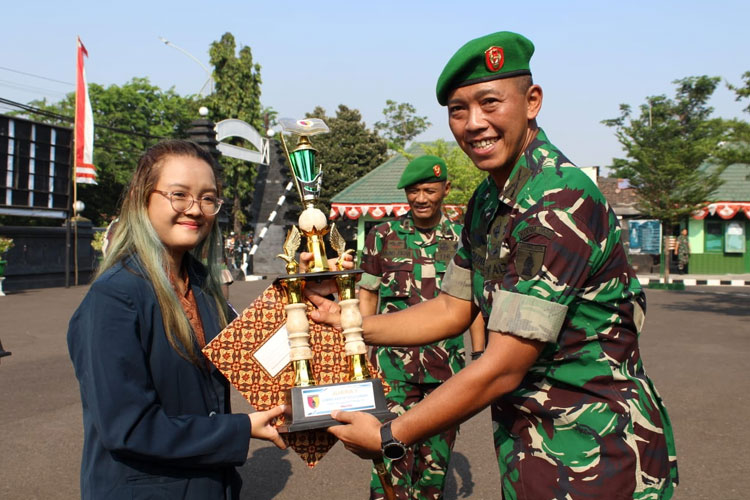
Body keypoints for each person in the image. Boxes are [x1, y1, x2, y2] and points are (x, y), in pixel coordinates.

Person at [310, 31, 678, 499]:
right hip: (532, 446)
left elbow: (503, 364)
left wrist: (389, 435)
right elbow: (450, 309)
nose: (473, 123)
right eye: (458, 110)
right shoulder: (489, 199)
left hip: (595, 451)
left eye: (489, 102)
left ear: (532, 101)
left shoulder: (556, 201)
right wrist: (349, 324)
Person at [67, 140, 286, 500]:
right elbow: (129, 427)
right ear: (142, 196)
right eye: (179, 195)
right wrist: (241, 429)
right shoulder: (115, 297)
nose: (195, 210)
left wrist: (304, 298)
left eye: (208, 198)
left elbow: (252, 356)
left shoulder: (200, 283)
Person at [358, 155, 485, 500]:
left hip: (446, 370)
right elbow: (367, 294)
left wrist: (481, 355)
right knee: (389, 451)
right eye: (413, 191)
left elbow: (473, 306)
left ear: (445, 189)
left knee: (434, 462)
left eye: (429, 190)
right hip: (393, 368)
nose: (421, 198)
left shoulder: (463, 239)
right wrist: (362, 353)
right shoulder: (382, 235)